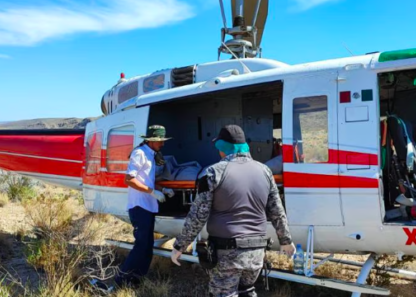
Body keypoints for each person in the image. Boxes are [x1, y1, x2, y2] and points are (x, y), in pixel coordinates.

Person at [170, 124, 294, 297]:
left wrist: (180, 246)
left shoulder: (213, 173)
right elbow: (277, 211)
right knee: (247, 291)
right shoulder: (265, 171)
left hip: (227, 252)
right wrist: (286, 240)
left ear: (222, 148)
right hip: (257, 252)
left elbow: (198, 215)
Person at [114, 124, 174, 288]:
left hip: (147, 206)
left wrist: (163, 189)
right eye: (160, 141)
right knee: (141, 245)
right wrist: (153, 193)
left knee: (147, 246)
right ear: (151, 140)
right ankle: (121, 280)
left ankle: (136, 279)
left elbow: (147, 181)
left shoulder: (151, 154)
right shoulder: (139, 154)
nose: (162, 144)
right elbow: (129, 179)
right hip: (140, 206)